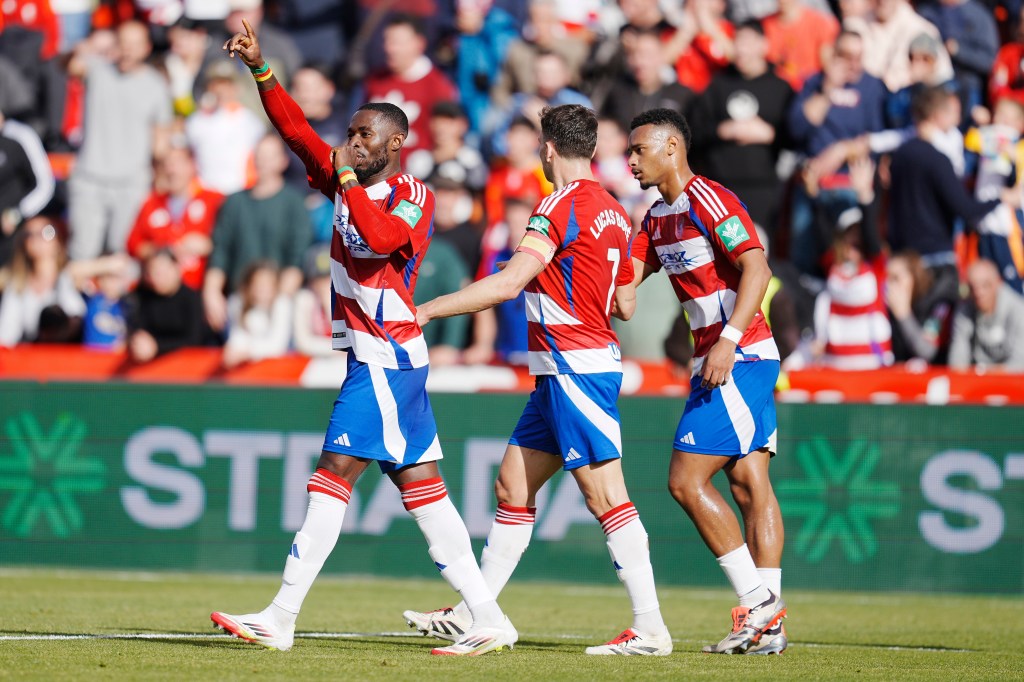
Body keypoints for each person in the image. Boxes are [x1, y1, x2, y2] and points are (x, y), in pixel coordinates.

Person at [210, 19, 517, 657]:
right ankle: (488, 616)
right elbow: (295, 131)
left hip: (387, 356)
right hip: (377, 356)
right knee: (426, 496)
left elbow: (380, 241)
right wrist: (262, 70)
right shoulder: (348, 182)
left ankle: (282, 613)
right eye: (349, 133)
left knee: (332, 475)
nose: (351, 143)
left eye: (363, 135)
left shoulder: (412, 194)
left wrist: (346, 180)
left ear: (396, 142)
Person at [404, 104, 673, 657]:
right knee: (513, 486)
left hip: (576, 365)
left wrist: (426, 311)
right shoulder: (616, 211)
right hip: (563, 368)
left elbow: (509, 284)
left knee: (607, 496)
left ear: (548, 149)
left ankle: (650, 627)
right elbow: (623, 302)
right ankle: (474, 612)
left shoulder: (558, 204)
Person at [625, 108, 786, 654]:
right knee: (747, 484)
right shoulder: (654, 218)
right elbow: (624, 289)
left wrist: (728, 340)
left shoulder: (710, 199)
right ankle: (770, 626)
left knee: (685, 481)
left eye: (638, 150)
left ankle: (759, 606)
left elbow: (757, 268)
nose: (630, 161)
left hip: (739, 356)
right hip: (717, 359)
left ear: (672, 147)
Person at [67, 20, 173, 260]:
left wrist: (161, 176)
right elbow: (70, 65)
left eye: (134, 44)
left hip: (131, 183)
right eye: (123, 43)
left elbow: (160, 140)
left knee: (123, 251)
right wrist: (85, 48)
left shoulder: (156, 86)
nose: (128, 50)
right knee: (83, 251)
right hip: (90, 178)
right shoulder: (96, 69)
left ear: (146, 48)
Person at [689, 19, 793, 234]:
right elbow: (693, 130)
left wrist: (770, 134)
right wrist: (723, 130)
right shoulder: (718, 84)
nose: (742, 50)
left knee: (758, 249)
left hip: (763, 187)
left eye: (748, 42)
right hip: (720, 186)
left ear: (764, 45)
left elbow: (796, 136)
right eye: (738, 42)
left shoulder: (781, 88)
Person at [202, 133, 313, 334]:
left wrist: (276, 306)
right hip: (239, 304)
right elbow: (220, 252)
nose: (263, 162)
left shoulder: (294, 203)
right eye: (259, 156)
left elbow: (297, 260)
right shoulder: (234, 203)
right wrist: (211, 293)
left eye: (270, 156)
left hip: (279, 304)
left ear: (283, 161)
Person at [125, 146, 224, 291]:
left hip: (199, 289)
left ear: (192, 165)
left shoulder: (214, 200)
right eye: (167, 164)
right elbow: (133, 244)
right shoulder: (152, 203)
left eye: (177, 163)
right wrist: (164, 251)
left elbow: (230, 241)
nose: (171, 170)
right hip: (160, 290)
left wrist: (209, 245)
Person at [0, 216, 85, 347]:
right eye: (29, 234)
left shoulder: (72, 277)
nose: (37, 238)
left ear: (58, 241)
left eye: (47, 232)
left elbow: (77, 318)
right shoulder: (17, 284)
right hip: (30, 358)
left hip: (66, 355)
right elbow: (6, 336)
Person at [127, 249, 205, 363]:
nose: (156, 278)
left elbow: (194, 339)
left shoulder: (192, 298)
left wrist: (157, 347)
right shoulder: (142, 295)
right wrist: (137, 341)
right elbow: (137, 328)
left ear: (177, 269)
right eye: (152, 272)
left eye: (162, 272)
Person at [949, 258, 1024, 370]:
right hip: (976, 378)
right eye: (973, 287)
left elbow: (1020, 362)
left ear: (998, 283)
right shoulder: (964, 310)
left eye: (985, 285)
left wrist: (990, 374)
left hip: (1010, 381)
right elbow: (957, 362)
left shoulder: (1018, 309)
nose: (979, 292)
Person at [222, 260, 292, 368]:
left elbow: (278, 345)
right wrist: (234, 349)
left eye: (267, 284)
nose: (262, 288)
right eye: (258, 283)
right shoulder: (237, 302)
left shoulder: (282, 304)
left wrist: (248, 352)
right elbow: (236, 337)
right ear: (248, 285)